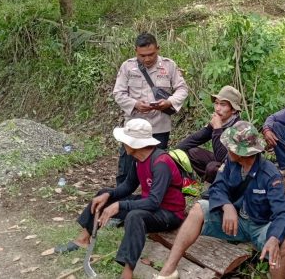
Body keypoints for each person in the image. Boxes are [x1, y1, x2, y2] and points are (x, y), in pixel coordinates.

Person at [156, 122, 285, 279]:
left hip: (260, 227)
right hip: (235, 224)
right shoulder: (231, 163)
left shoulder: (270, 175)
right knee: (198, 209)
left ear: (242, 152)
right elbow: (217, 187)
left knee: (282, 242)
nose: (227, 149)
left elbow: (281, 213)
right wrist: (226, 206)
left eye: (230, 146)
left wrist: (274, 237)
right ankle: (169, 270)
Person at [54, 119, 186, 279]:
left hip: (168, 213)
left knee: (135, 216)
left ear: (135, 144)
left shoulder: (161, 163)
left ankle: (127, 273)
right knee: (104, 194)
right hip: (150, 204)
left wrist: (120, 205)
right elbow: (128, 185)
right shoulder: (138, 160)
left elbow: (154, 202)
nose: (122, 143)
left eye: (125, 141)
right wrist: (109, 195)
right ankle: (83, 238)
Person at [113, 32, 189, 185]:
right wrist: (135, 104)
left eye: (151, 54)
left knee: (157, 167)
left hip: (159, 127)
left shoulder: (169, 66)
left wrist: (169, 102)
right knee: (126, 167)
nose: (147, 59)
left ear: (158, 49)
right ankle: (120, 200)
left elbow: (182, 89)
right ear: (136, 51)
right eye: (142, 55)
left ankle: (153, 200)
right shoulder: (128, 67)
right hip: (134, 126)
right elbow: (118, 93)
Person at [174, 85, 243, 183]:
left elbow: (223, 158)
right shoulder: (221, 121)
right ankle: (210, 181)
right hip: (223, 163)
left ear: (234, 110)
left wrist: (217, 129)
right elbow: (194, 139)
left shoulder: (239, 127)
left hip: (237, 169)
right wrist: (174, 152)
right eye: (216, 103)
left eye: (223, 105)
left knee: (212, 167)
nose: (217, 108)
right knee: (193, 152)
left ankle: (223, 186)